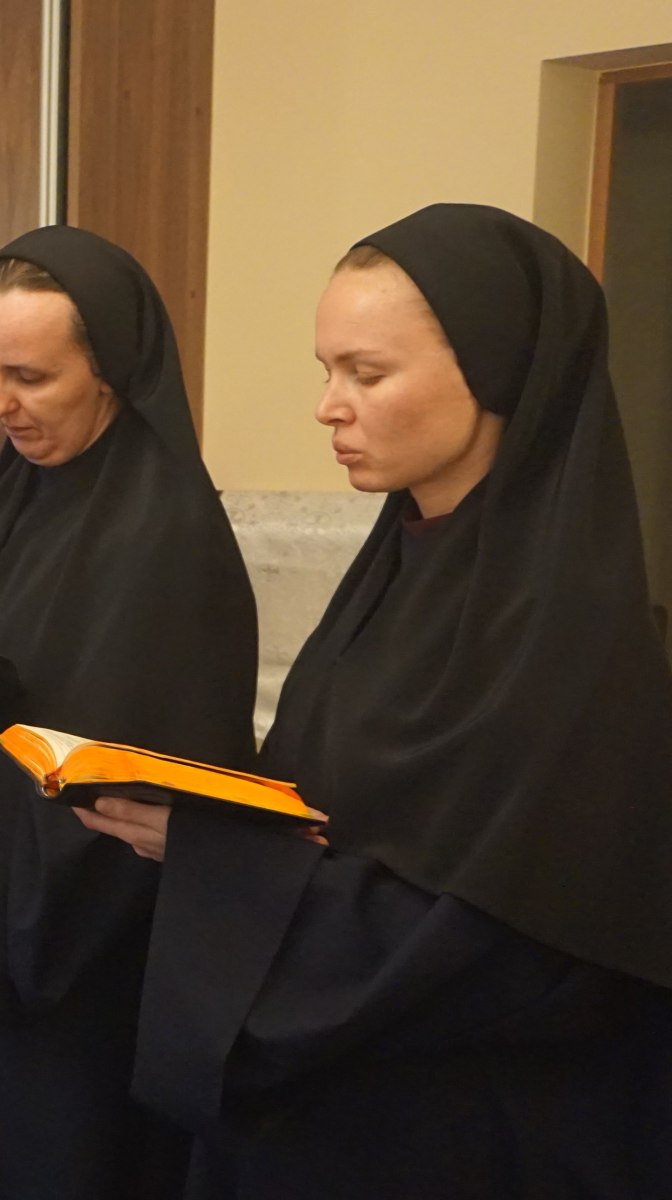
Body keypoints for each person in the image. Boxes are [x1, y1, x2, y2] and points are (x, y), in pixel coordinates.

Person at [76, 204, 672, 1199]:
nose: (328, 407)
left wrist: (219, 860)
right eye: (326, 370)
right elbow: (331, 811)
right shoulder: (395, 569)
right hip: (316, 1114)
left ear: (495, 372)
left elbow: (506, 940)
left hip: (453, 1135)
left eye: (367, 372)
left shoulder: (566, 633)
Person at [0, 225, 258, 1200]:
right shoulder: (3, 502)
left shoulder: (165, 543)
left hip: (69, 994)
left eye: (30, 377)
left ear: (112, 370)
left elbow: (124, 809)